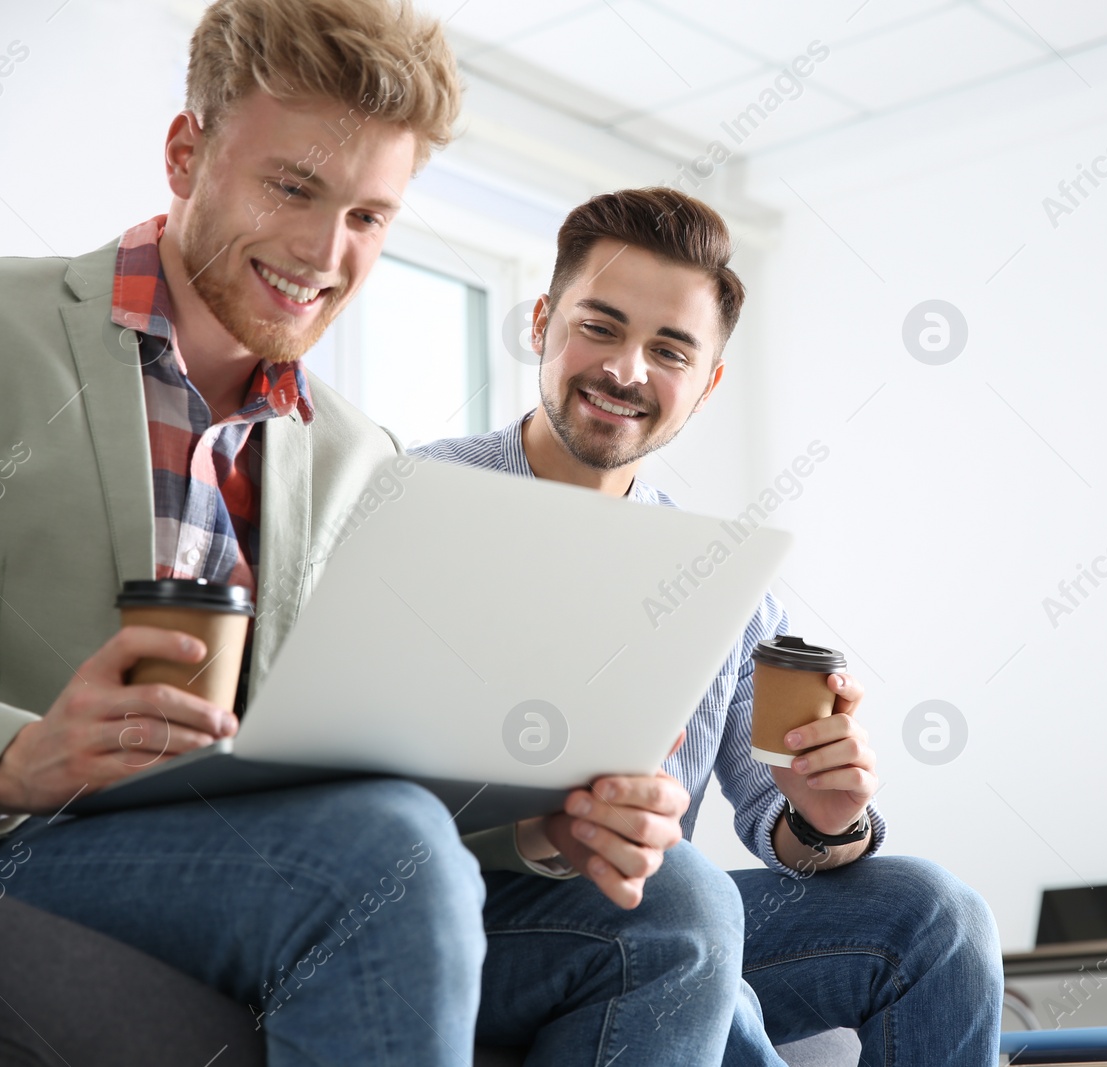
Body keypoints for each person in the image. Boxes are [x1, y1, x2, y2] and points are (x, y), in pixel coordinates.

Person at [0, 3, 743, 1063]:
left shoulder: (364, 456)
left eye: (369, 217)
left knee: (676, 901)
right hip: (15, 843)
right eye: (292, 187)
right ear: (188, 155)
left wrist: (549, 829)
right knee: (374, 851)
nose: (325, 253)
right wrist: (11, 754)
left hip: (278, 858)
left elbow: (360, 764)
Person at [413, 187, 1005, 1065]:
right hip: (471, 910)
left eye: (669, 350)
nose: (626, 371)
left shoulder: (717, 577)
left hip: (662, 907)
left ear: (707, 382)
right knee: (690, 914)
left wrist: (826, 818)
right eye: (600, 327)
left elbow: (778, 820)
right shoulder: (424, 499)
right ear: (542, 321)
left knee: (937, 916)